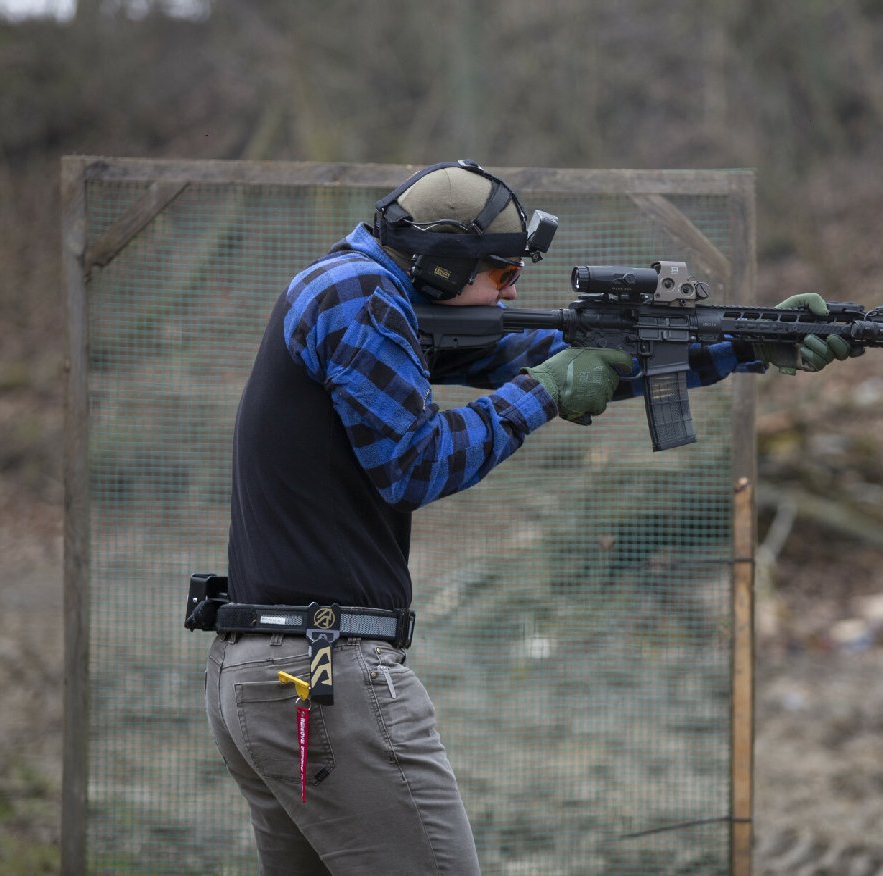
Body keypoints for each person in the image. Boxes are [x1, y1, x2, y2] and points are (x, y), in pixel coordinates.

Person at [202, 160, 849, 876]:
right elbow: (415, 465)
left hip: (277, 673)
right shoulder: (359, 296)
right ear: (443, 267)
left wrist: (746, 343)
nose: (512, 292)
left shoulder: (363, 291)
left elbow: (555, 353)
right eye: (502, 274)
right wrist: (542, 395)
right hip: (321, 674)